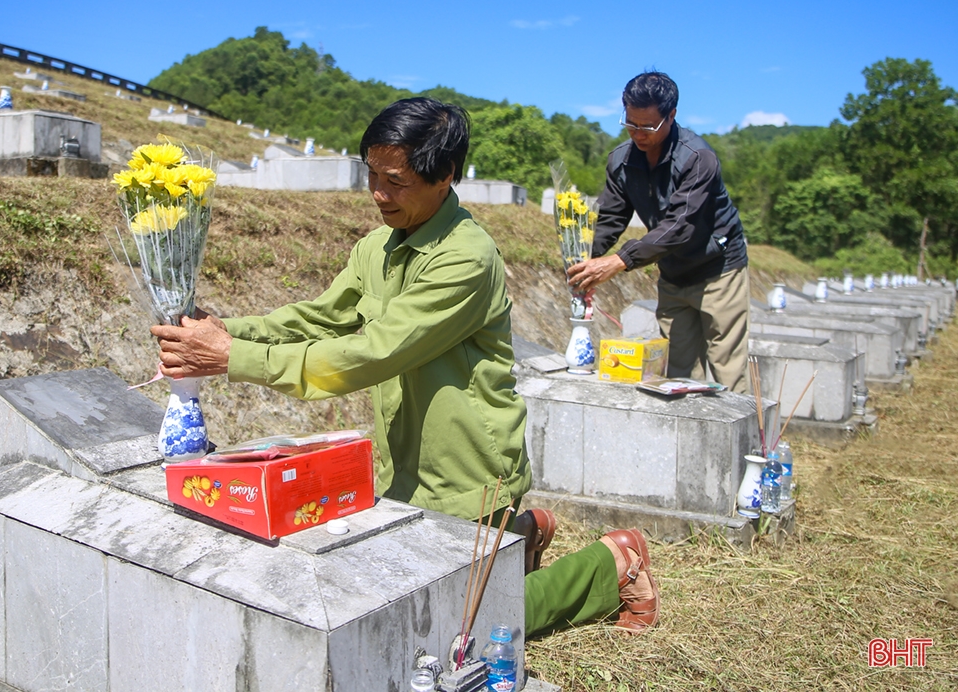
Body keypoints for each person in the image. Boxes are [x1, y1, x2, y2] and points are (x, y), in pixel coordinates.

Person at [152, 97, 658, 635]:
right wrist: (226, 330)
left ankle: (611, 564)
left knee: (453, 626)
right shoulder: (377, 246)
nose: (378, 193)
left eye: (395, 181)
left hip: (465, 470)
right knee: (392, 595)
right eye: (371, 175)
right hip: (401, 466)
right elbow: (321, 319)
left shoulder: (466, 257)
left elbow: (374, 352)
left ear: (444, 176)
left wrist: (233, 358)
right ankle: (516, 538)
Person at [566, 72, 750, 392]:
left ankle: (739, 441)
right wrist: (583, 258)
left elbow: (680, 226)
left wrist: (619, 260)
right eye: (631, 123)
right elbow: (611, 217)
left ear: (672, 115)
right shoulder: (621, 161)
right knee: (673, 370)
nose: (638, 133)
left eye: (648, 126)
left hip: (718, 269)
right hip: (673, 272)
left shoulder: (697, 158)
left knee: (726, 370)